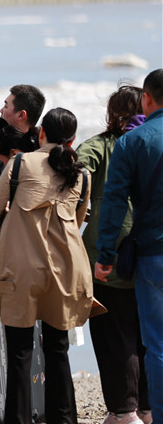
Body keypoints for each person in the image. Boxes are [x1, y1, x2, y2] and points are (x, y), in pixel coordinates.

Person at [0, 107, 106, 424]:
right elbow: (75, 223)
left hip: (22, 269)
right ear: (73, 139)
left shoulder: (21, 162)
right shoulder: (82, 174)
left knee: (19, 353)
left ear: (42, 134)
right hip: (65, 271)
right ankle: (64, 420)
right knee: (58, 350)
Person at [77, 84, 150, 424]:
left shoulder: (100, 145)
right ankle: (150, 408)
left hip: (107, 252)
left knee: (113, 336)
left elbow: (76, 169)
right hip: (151, 248)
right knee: (149, 336)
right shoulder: (149, 142)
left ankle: (123, 411)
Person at [96, 68, 163, 421]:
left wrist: (105, 254)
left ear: (147, 100)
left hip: (152, 254)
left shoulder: (132, 142)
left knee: (157, 344)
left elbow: (114, 201)